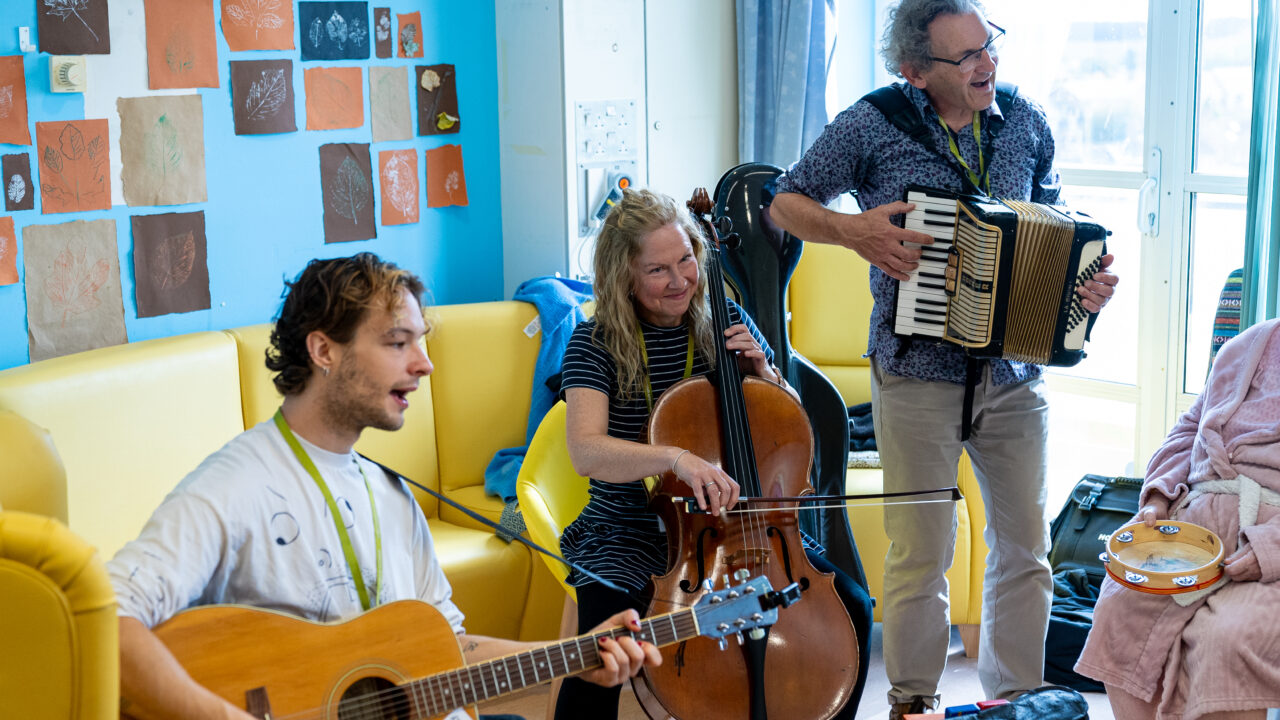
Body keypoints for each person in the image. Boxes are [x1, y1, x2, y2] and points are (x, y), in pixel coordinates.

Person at [109, 253, 660, 720]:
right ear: (324, 351)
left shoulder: (389, 495)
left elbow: (448, 648)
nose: (424, 366)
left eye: (421, 343)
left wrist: (572, 655)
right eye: (398, 343)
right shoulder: (233, 487)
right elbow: (110, 622)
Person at [767, 1, 1119, 717]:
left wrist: (1085, 285)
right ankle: (913, 701)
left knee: (1026, 550)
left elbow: (1055, 218)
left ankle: (1016, 700)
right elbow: (784, 201)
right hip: (915, 374)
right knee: (919, 553)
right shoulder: (873, 123)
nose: (987, 65)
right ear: (915, 72)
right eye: (966, 58)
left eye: (990, 47)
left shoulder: (1025, 120)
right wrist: (852, 230)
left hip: (1015, 377)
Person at [553, 187, 874, 720]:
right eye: (658, 270)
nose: (680, 280)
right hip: (630, 531)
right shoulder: (595, 344)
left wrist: (767, 377)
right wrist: (676, 459)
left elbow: (788, 425)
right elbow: (587, 451)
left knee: (854, 610)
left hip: (740, 524)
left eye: (687, 259)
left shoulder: (725, 323)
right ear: (623, 276)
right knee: (601, 656)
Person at [1075, 319, 1280, 720]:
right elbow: (1189, 428)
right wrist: (1157, 497)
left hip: (1270, 536)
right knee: (1120, 608)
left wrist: (1271, 549)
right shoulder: (1251, 342)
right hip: (1198, 523)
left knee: (1225, 639)